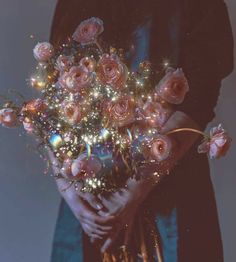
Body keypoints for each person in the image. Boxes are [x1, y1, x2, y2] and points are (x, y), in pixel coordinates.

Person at [48, 0, 234, 261]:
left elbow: (199, 99)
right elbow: (53, 93)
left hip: (169, 191)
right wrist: (69, 188)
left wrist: (132, 193)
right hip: (90, 197)